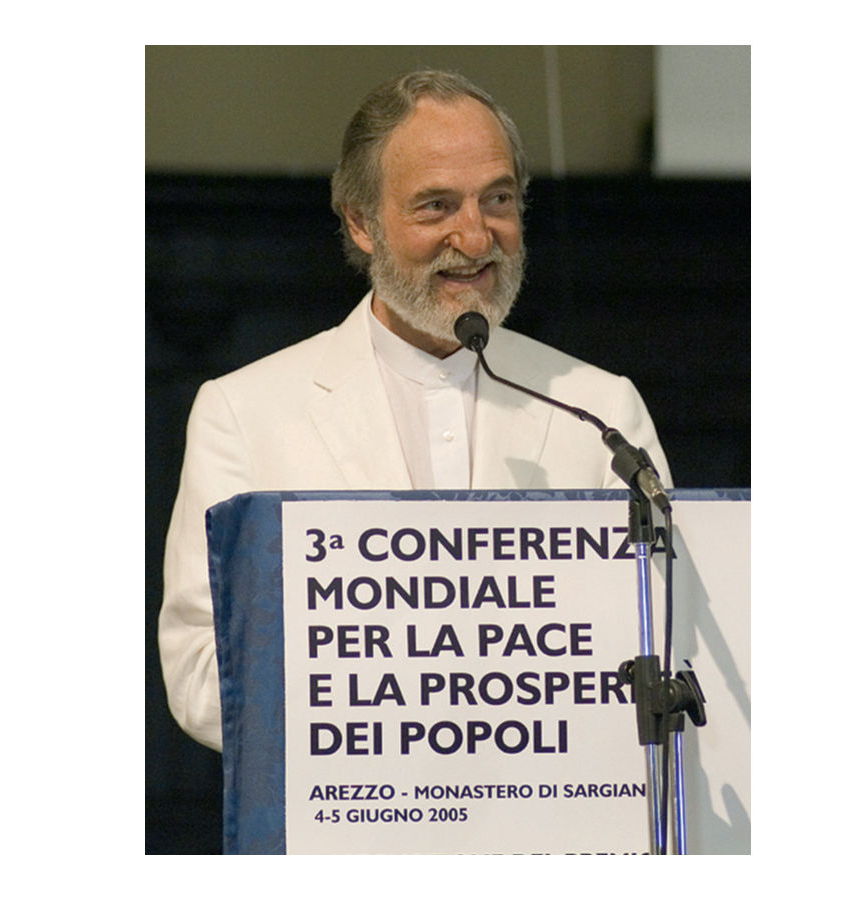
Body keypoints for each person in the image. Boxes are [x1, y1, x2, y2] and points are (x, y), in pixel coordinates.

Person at [159, 70, 672, 751]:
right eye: (436, 206)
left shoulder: (600, 409)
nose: (476, 236)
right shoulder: (245, 413)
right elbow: (199, 672)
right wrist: (405, 710)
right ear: (362, 223)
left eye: (498, 198)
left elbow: (666, 633)